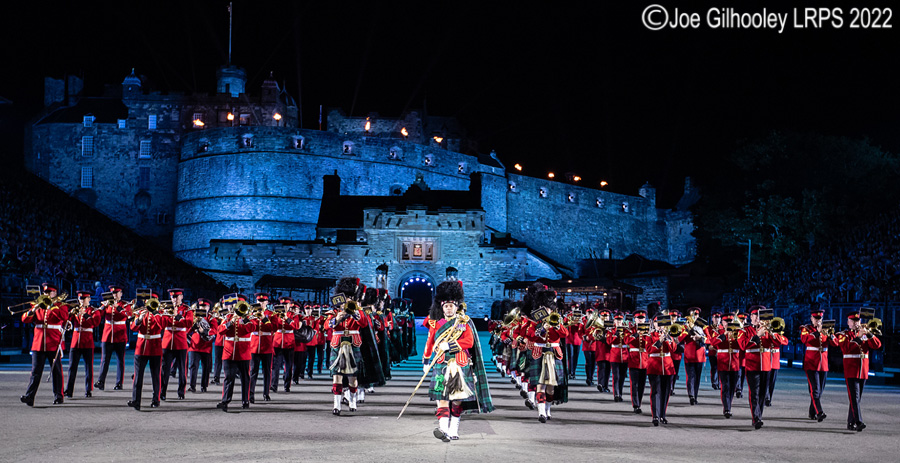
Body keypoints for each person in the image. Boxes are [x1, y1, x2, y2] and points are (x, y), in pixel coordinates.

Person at [423, 280, 493, 441]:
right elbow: (430, 342)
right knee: (441, 398)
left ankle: (453, 429)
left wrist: (451, 345)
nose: (448, 308)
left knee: (456, 400)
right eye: (446, 306)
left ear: (456, 306)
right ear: (442, 307)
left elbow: (469, 342)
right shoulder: (436, 324)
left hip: (459, 363)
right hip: (441, 363)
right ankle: (443, 430)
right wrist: (426, 360)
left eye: (451, 305)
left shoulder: (464, 323)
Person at [20, 282, 69, 406]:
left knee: (56, 371)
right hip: (39, 343)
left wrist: (51, 306)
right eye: (45, 292)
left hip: (53, 342)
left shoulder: (60, 306)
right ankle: (29, 396)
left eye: (49, 292)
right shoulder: (37, 305)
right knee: (35, 371)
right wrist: (34, 310)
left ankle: (59, 396)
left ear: (55, 293)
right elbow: (25, 319)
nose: (46, 294)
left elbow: (63, 317)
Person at [327, 277, 370, 415]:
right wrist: (338, 317)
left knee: (353, 377)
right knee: (337, 375)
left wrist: (355, 313)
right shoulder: (334, 312)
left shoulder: (358, 311)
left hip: (353, 343)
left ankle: (352, 400)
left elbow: (363, 323)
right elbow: (327, 325)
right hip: (338, 343)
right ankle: (336, 404)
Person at [526, 289, 568, 423]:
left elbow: (565, 334)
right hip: (539, 353)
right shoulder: (534, 322)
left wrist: (556, 326)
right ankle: (541, 412)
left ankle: (548, 409)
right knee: (540, 384)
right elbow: (530, 335)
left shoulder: (557, 319)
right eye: (544, 307)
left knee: (551, 387)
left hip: (553, 353)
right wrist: (541, 330)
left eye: (549, 308)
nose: (547, 310)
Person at [836, 311, 882, 431]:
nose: (856, 323)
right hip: (851, 369)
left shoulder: (866, 333)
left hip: (863, 369)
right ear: (848, 322)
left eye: (858, 321)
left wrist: (870, 335)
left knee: (856, 398)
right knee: (854, 398)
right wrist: (858, 338)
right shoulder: (843, 335)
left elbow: (877, 345)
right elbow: (846, 348)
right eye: (854, 321)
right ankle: (858, 422)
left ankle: (850, 423)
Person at [216, 296, 256, 412]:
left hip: (243, 352)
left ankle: (245, 400)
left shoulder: (249, 317)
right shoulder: (228, 317)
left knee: (245, 378)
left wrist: (244, 319)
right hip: (229, 352)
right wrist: (230, 323)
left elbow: (252, 327)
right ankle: (225, 401)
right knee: (228, 378)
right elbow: (220, 331)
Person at [801, 307, 837, 422]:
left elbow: (835, 343)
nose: (818, 321)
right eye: (815, 319)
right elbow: (805, 340)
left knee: (819, 390)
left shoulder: (827, 329)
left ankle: (812, 412)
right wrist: (817, 332)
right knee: (815, 390)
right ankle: (819, 412)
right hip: (811, 363)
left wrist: (831, 335)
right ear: (811, 318)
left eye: (819, 318)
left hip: (823, 363)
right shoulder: (806, 328)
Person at [127, 299, 163, 410]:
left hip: (155, 347)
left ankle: (156, 400)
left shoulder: (160, 313)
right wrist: (139, 319)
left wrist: (155, 313)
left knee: (155, 376)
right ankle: (136, 400)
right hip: (141, 347)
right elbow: (132, 327)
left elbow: (162, 325)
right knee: (137, 376)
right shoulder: (139, 312)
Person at [65, 290, 102, 399]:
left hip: (87, 342)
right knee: (72, 367)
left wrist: (84, 314)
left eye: (83, 299)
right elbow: (67, 320)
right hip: (75, 342)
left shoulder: (94, 311)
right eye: (80, 299)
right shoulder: (75, 310)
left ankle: (88, 390)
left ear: (89, 299)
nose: (81, 301)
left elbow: (95, 323)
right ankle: (69, 390)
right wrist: (68, 320)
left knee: (88, 368)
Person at [95, 285, 131, 391]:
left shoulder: (125, 304)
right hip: (107, 335)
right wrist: (102, 307)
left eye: (117, 293)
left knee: (120, 360)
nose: (115, 295)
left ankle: (119, 383)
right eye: (113, 293)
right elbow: (98, 315)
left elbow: (128, 315)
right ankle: (101, 381)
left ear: (121, 294)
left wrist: (117, 307)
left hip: (120, 336)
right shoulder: (107, 304)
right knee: (105, 360)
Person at [159, 288, 192, 400]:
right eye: (173, 297)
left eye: (177, 297)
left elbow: (189, 323)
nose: (175, 299)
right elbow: (162, 323)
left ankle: (181, 392)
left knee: (182, 369)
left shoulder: (187, 309)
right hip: (167, 342)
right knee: (165, 369)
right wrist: (170, 316)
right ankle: (162, 392)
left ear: (181, 297)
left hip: (181, 342)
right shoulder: (165, 309)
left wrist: (179, 319)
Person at [647, 316, 678, 426]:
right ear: (654, 324)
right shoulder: (649, 335)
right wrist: (659, 341)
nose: (660, 326)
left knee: (665, 392)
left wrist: (668, 339)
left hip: (667, 366)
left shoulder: (669, 335)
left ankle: (662, 415)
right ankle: (655, 415)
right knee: (655, 391)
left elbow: (673, 349)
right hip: (654, 366)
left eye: (662, 324)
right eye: (658, 323)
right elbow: (648, 349)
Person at [710, 315, 742, 419]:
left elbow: (743, 345)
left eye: (730, 320)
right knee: (725, 386)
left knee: (732, 387)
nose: (728, 323)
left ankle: (729, 404)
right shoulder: (718, 332)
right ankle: (726, 408)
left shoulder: (738, 332)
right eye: (725, 321)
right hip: (723, 363)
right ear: (722, 323)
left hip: (735, 363)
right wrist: (724, 334)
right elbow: (713, 342)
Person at [249, 293, 277, 403]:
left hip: (266, 345)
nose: (260, 303)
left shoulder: (271, 314)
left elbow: (274, 327)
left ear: (267, 302)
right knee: (253, 371)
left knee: (267, 371)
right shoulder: (251, 314)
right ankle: (250, 393)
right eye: (259, 301)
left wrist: (264, 319)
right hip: (254, 346)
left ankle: (266, 393)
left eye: (263, 301)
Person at [187, 298, 217, 393]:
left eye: (205, 306)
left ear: (208, 307)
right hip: (194, 345)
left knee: (206, 367)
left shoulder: (211, 318)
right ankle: (192, 386)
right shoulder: (194, 316)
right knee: (193, 366)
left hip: (206, 346)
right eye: (201, 306)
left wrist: (204, 331)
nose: (203, 308)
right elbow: (187, 330)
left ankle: (204, 386)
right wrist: (192, 327)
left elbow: (215, 330)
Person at [624, 309, 650, 414]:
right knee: (634, 384)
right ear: (634, 319)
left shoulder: (648, 330)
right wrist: (636, 334)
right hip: (634, 359)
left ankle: (639, 401)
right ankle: (636, 404)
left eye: (642, 318)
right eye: (638, 318)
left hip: (644, 359)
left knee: (642, 384)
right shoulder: (630, 329)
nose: (640, 320)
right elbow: (626, 341)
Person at [679, 307, 706, 405]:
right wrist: (687, 331)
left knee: (697, 377)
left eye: (696, 315)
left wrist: (700, 337)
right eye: (692, 314)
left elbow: (707, 337)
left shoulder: (702, 325)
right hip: (689, 354)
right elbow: (680, 338)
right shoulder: (684, 326)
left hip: (699, 355)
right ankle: (691, 395)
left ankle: (695, 395)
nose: (694, 316)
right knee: (690, 376)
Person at [271, 297, 298, 393]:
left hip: (289, 341)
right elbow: (273, 326)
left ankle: (287, 385)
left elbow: (296, 326)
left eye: (286, 304)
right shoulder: (276, 314)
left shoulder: (293, 315)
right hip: (278, 341)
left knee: (288, 365)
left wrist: (287, 319)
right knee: (275, 365)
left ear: (289, 305)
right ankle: (274, 385)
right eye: (283, 304)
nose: (284, 306)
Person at [606, 312, 629, 402]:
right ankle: (616, 394)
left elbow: (627, 342)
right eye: (617, 320)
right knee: (616, 376)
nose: (619, 322)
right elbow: (609, 342)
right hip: (615, 355)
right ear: (614, 320)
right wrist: (615, 334)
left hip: (624, 355)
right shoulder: (611, 330)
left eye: (620, 320)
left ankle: (620, 393)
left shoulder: (626, 330)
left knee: (622, 376)